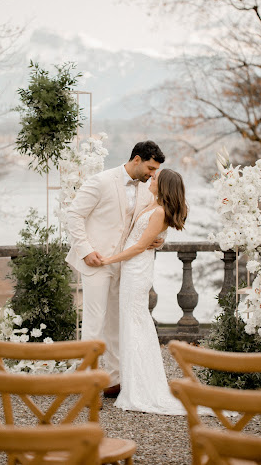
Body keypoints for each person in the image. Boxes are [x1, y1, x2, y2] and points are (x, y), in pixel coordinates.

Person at [66, 141, 165, 396]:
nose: (152, 174)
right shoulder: (101, 181)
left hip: (125, 264)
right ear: (136, 159)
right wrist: (86, 250)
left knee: (115, 323)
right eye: (150, 168)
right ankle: (88, 386)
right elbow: (74, 216)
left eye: (155, 170)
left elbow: (148, 222)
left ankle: (112, 379)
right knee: (94, 323)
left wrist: (158, 239)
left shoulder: (145, 190)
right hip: (96, 262)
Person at [100, 169, 188, 415]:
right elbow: (147, 234)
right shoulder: (153, 204)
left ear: (165, 187)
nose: (151, 179)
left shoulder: (159, 212)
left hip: (137, 269)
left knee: (136, 319)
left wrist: (109, 260)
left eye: (156, 179)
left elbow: (140, 246)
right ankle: (132, 379)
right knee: (130, 321)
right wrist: (161, 238)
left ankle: (141, 385)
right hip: (131, 268)